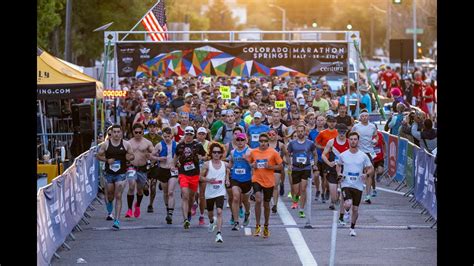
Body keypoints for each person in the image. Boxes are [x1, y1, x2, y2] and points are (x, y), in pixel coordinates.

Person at [96, 125, 135, 230]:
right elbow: (98, 155)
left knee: (118, 195)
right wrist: (107, 160)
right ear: (111, 133)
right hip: (109, 174)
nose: (117, 134)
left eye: (118, 132)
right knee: (110, 196)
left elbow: (132, 156)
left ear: (121, 133)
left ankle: (117, 220)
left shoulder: (126, 144)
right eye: (115, 132)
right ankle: (110, 210)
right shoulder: (106, 144)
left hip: (121, 174)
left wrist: (128, 157)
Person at [336, 131, 374, 236]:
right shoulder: (343, 155)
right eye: (351, 139)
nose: (353, 141)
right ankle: (346, 212)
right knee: (347, 203)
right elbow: (338, 165)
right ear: (348, 141)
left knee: (356, 209)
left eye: (355, 139)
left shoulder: (363, 156)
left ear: (358, 141)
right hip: (346, 183)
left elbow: (370, 168)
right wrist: (339, 174)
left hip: (358, 185)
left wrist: (366, 175)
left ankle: (352, 228)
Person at [248, 133, 283, 238]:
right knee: (258, 200)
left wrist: (271, 167)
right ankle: (257, 225)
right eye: (261, 141)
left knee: (266, 204)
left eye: (264, 141)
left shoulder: (273, 152)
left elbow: (280, 166)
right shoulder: (253, 152)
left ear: (268, 141)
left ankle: (266, 225)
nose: (263, 143)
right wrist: (252, 165)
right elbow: (250, 163)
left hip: (269, 181)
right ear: (258, 141)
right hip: (257, 179)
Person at [174, 126, 207, 229]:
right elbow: (175, 157)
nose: (188, 136)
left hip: (194, 174)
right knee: (185, 194)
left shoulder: (198, 145)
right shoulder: (180, 146)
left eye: (190, 135)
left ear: (193, 135)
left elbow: (205, 156)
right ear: (184, 134)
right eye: (187, 134)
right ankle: (185, 220)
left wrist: (201, 157)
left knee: (191, 197)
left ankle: (188, 212)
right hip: (183, 173)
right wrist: (174, 165)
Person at [200, 142, 230, 243]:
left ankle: (219, 234)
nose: (216, 154)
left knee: (219, 211)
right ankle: (212, 222)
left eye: (218, 152)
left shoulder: (225, 164)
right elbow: (200, 177)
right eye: (214, 152)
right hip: (209, 193)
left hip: (220, 192)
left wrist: (227, 179)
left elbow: (229, 170)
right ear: (211, 153)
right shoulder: (206, 164)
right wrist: (208, 180)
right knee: (210, 213)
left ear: (221, 153)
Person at [286, 124, 318, 218]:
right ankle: (295, 200)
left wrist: (315, 164)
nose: (300, 133)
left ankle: (301, 209)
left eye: (302, 131)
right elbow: (287, 154)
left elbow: (315, 154)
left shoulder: (310, 143)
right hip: (296, 168)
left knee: (303, 188)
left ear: (305, 132)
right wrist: (289, 164)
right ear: (296, 132)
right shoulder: (292, 143)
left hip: (306, 167)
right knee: (296, 191)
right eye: (298, 131)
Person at [125, 123, 155, 219]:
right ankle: (129, 209)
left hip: (143, 169)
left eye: (140, 132)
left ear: (143, 132)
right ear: (133, 132)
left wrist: (150, 155)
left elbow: (153, 151)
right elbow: (125, 155)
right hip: (132, 167)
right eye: (136, 132)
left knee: (139, 190)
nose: (138, 134)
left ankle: (137, 205)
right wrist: (128, 158)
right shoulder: (129, 143)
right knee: (131, 186)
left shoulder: (147, 142)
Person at [149, 127, 178, 223]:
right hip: (163, 170)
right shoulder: (159, 145)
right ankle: (168, 209)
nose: (167, 138)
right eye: (165, 136)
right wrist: (159, 158)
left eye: (168, 136)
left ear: (172, 136)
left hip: (173, 171)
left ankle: (170, 214)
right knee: (166, 193)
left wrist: (178, 164)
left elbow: (181, 156)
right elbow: (151, 156)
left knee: (171, 192)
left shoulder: (176, 145)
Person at [351, 110, 378, 204]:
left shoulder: (372, 126)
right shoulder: (356, 127)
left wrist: (375, 141)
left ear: (369, 117)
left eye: (367, 116)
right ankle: (354, 193)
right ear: (360, 117)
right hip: (358, 152)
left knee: (370, 173)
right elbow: (350, 137)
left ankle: (367, 195)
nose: (365, 117)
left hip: (369, 152)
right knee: (356, 173)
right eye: (363, 116)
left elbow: (376, 136)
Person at [228, 133, 252, 229]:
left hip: (246, 179)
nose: (240, 142)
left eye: (242, 140)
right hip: (235, 178)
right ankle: (236, 221)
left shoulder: (250, 151)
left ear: (246, 140)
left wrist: (248, 160)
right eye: (238, 140)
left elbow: (254, 165)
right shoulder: (233, 152)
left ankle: (247, 213)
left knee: (245, 200)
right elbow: (230, 164)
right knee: (236, 198)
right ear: (235, 141)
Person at [315, 115, 339, 203]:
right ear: (327, 122)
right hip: (325, 158)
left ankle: (330, 191)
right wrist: (324, 148)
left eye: (333, 122)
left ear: (336, 123)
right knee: (325, 178)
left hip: (336, 158)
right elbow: (316, 143)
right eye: (330, 122)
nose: (332, 124)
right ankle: (325, 191)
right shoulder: (322, 133)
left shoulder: (338, 132)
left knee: (335, 177)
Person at [268, 128, 288, 214]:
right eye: (270, 134)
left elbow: (286, 153)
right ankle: (268, 203)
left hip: (277, 167)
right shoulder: (265, 145)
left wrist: (287, 162)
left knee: (275, 186)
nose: (272, 136)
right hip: (267, 168)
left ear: (277, 135)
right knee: (268, 186)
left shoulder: (280, 145)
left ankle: (275, 205)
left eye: (273, 134)